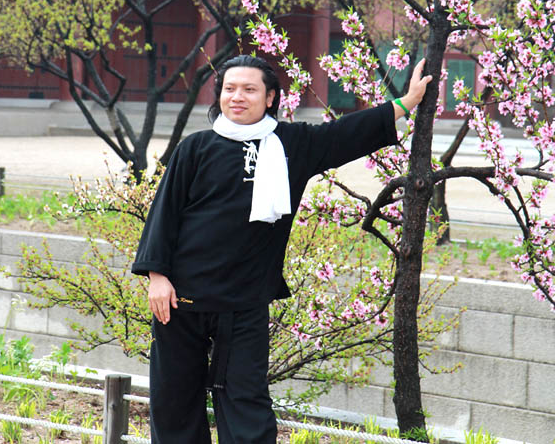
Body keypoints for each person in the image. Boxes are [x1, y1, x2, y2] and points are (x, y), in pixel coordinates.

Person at [132, 54, 432, 444]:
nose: (237, 97)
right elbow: (165, 213)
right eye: (229, 89)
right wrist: (157, 277)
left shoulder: (293, 145)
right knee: (174, 403)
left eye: (249, 89)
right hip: (181, 299)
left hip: (246, 301)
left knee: (248, 402)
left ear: (270, 97)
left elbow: (346, 134)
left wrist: (407, 101)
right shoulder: (196, 148)